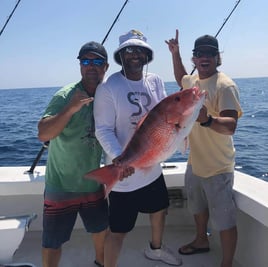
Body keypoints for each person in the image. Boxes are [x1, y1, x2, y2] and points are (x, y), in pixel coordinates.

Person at [93, 30, 182, 267]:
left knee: (160, 209)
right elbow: (103, 130)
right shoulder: (108, 88)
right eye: (130, 50)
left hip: (152, 166)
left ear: (147, 55)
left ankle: (156, 249)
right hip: (124, 174)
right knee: (119, 230)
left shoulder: (155, 81)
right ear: (121, 55)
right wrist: (120, 161)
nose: (135, 54)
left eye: (140, 50)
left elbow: (167, 118)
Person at [166, 30, 242, 267]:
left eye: (210, 53)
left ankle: (226, 263)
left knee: (224, 221)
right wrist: (175, 54)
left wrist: (207, 120)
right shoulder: (193, 82)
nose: (205, 57)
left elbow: (231, 126)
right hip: (195, 163)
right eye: (200, 54)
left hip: (218, 167)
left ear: (217, 57)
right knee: (197, 208)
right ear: (195, 59)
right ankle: (201, 240)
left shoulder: (225, 86)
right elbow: (181, 78)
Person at [38, 41, 109, 267]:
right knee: (52, 243)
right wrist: (70, 108)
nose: (91, 66)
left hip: (93, 184)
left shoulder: (108, 97)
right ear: (80, 66)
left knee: (101, 234)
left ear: (105, 67)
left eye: (97, 61)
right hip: (61, 185)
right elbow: (43, 133)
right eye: (85, 61)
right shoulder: (65, 95)